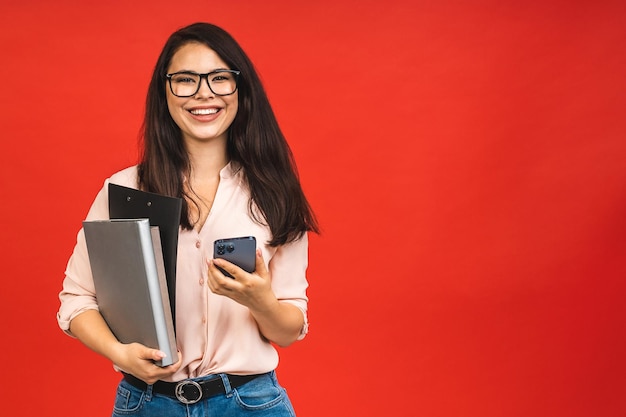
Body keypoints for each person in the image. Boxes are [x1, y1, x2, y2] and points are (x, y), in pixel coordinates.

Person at [57, 22, 318, 416]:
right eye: (185, 80)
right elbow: (76, 300)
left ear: (240, 90)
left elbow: (288, 331)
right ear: (165, 93)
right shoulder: (127, 190)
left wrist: (260, 300)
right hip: (147, 403)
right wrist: (119, 353)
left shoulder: (275, 192)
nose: (203, 93)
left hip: (250, 404)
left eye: (219, 78)